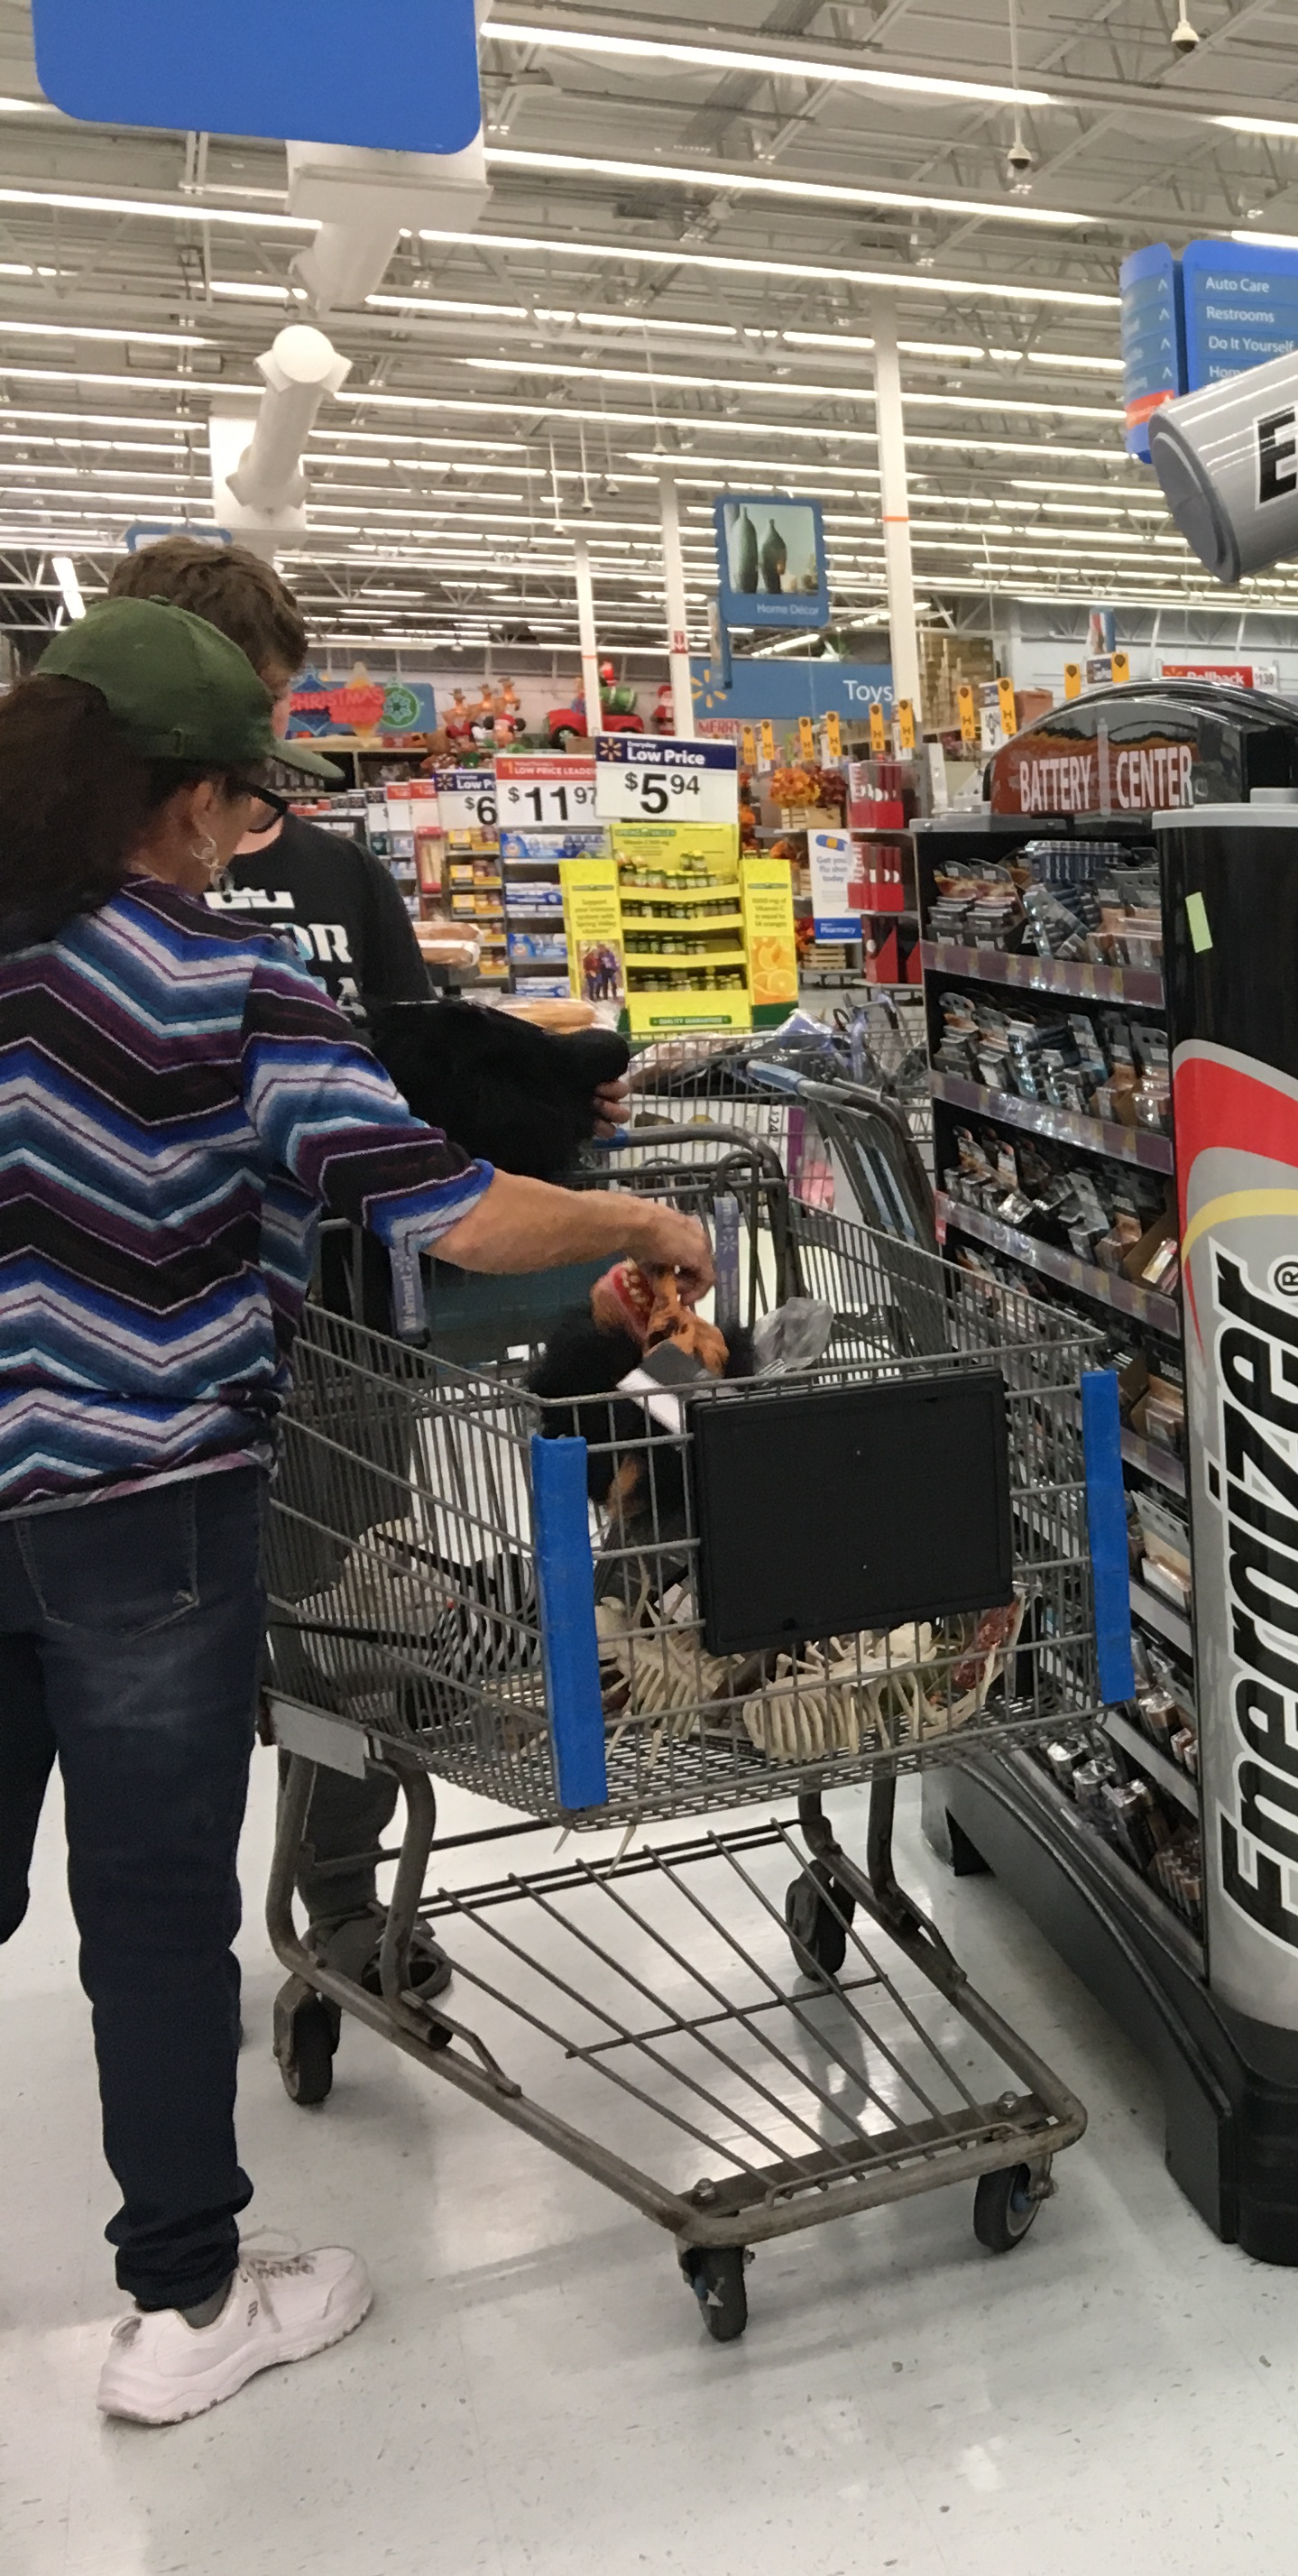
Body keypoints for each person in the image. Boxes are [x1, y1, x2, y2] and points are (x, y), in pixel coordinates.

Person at [0, 599, 713, 2426]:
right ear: (184, 798)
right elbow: (449, 1208)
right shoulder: (222, 984)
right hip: (147, 1497)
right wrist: (640, 1220)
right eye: (242, 802)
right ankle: (186, 2303)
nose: (249, 834)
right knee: (151, 1910)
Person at [104, 540, 620, 2004]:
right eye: (247, 702)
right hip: (156, 1353)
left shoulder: (335, 869)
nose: (258, 741)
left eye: (270, 703)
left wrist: (555, 1094)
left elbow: (420, 1063)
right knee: (179, 1674)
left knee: (355, 1618)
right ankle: (173, 1945)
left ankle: (342, 1904)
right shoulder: (80, 893)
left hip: (344, 1325)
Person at [106, 540, 468, 1022]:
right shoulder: (72, 874)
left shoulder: (348, 872)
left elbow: (414, 1043)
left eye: (274, 694)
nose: (256, 726)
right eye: (234, 697)